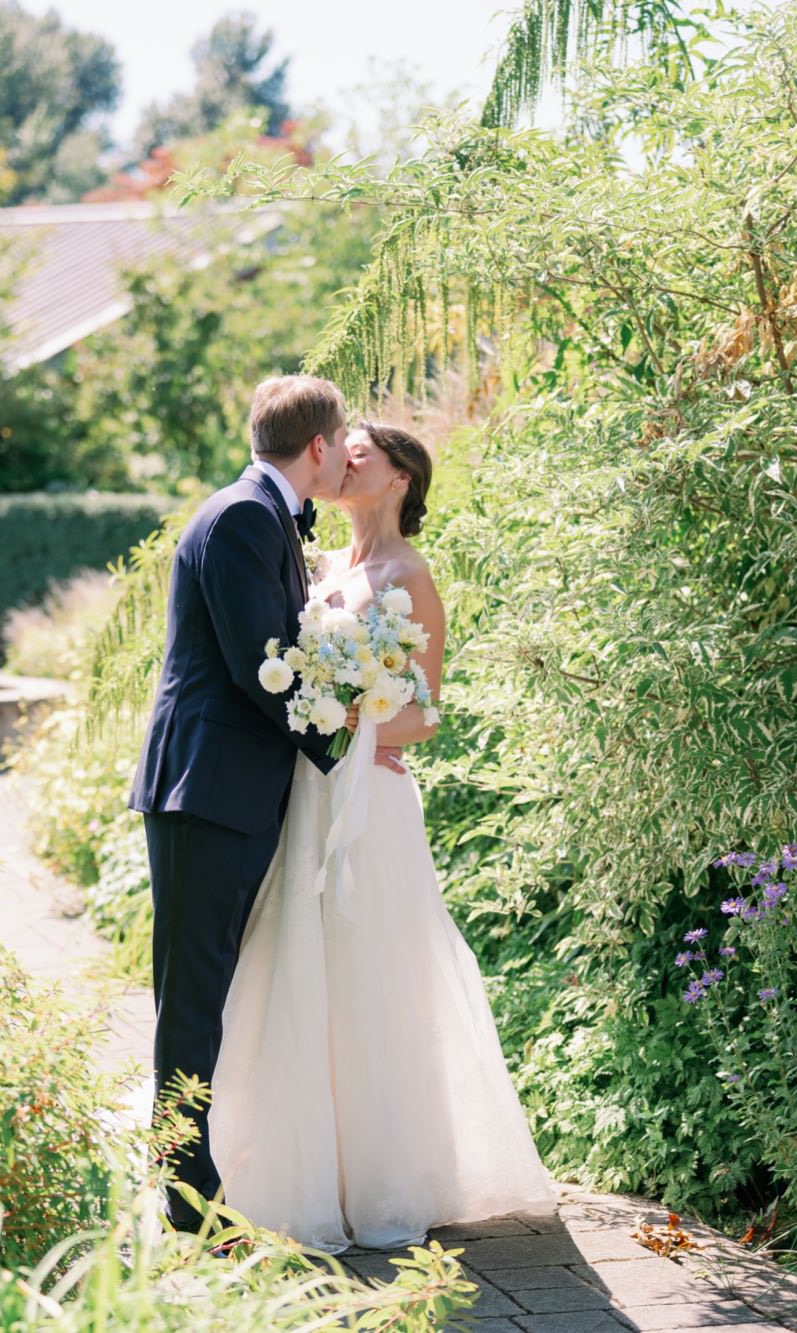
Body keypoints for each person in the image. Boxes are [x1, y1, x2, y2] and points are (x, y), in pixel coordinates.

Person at [208, 420, 556, 1252]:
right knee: (295, 961)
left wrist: (352, 724)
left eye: (363, 451)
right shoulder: (318, 564)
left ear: (401, 477)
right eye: (343, 447)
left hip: (371, 801)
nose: (344, 457)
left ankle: (382, 1171)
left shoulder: (410, 576)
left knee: (373, 971)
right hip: (306, 793)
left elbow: (424, 713)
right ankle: (294, 1162)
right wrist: (317, 719)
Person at [129, 375, 405, 1231]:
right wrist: (345, 743)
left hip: (229, 788)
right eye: (340, 444)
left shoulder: (261, 514)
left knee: (207, 983)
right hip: (205, 786)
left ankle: (193, 1169)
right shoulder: (245, 516)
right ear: (317, 447)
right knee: (194, 987)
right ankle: (183, 1190)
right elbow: (263, 667)